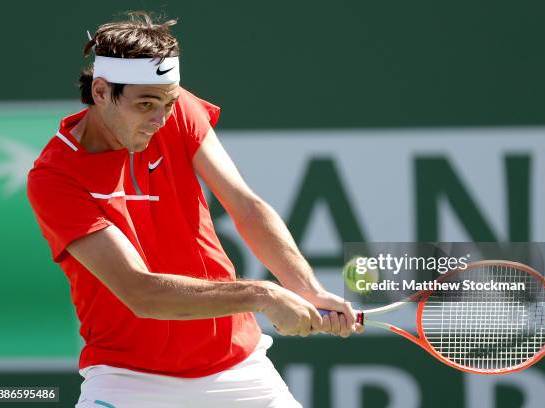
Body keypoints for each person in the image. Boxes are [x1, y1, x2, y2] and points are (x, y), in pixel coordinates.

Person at [26, 11, 361, 408]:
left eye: (168, 102)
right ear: (100, 91)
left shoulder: (174, 109)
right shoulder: (54, 178)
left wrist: (307, 288)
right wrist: (263, 294)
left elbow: (244, 205)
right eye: (145, 105)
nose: (159, 119)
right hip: (128, 381)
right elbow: (140, 292)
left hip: (239, 369)